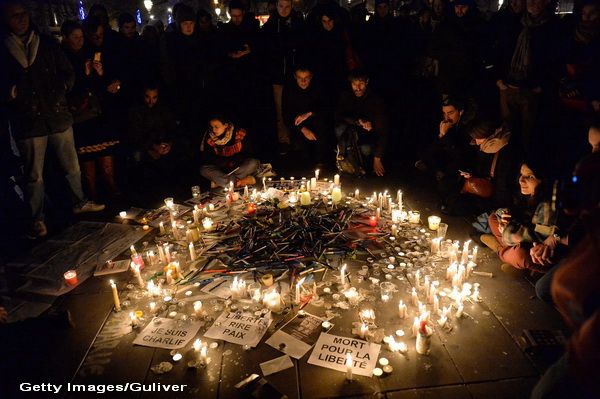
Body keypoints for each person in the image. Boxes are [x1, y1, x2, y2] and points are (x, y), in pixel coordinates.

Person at [1, 1, 104, 239]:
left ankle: (79, 201)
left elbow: (67, 72)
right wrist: (11, 93)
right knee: (34, 175)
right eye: (15, 16)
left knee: (71, 165)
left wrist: (61, 88)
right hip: (28, 120)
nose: (22, 19)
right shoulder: (4, 49)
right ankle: (36, 219)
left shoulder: (45, 44)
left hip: (56, 114)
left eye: (24, 14)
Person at [61, 20, 120, 201]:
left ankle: (112, 189)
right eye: (75, 37)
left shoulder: (89, 53)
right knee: (87, 156)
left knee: (105, 152)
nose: (79, 41)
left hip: (97, 112)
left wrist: (101, 75)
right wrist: (85, 75)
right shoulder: (63, 58)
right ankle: (92, 193)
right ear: (66, 38)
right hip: (80, 115)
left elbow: (99, 87)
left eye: (81, 37)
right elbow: (69, 88)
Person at [480, 159, 554, 273]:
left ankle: (500, 251)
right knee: (493, 218)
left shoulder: (547, 206)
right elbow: (521, 217)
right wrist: (507, 218)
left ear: (544, 180)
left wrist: (507, 230)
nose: (521, 180)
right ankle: (511, 258)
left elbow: (535, 237)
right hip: (519, 239)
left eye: (530, 177)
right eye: (522, 174)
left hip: (536, 253)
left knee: (520, 255)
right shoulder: (529, 194)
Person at [440, 118, 516, 216]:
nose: (476, 142)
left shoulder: (505, 154)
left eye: (479, 138)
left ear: (491, 136)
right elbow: (472, 163)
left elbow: (502, 188)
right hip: (476, 186)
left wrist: (494, 209)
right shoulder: (483, 146)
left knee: (456, 205)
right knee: (446, 187)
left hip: (490, 196)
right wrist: (470, 173)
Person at [261, 0, 307, 155]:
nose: (284, 10)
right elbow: (267, 50)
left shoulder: (298, 23)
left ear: (291, 6)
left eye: (287, 6)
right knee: (280, 110)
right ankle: (284, 140)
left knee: (298, 106)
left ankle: (298, 138)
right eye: (281, 6)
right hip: (278, 75)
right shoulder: (271, 25)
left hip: (294, 74)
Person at [415, 97, 475, 204]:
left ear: (460, 112)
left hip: (461, 169)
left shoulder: (468, 129)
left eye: (450, 113)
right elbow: (432, 150)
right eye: (444, 113)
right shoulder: (446, 125)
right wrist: (441, 135)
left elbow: (460, 156)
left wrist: (445, 136)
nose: (447, 117)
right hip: (446, 163)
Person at [334, 70, 388, 176]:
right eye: (354, 84)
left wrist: (377, 158)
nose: (358, 88)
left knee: (366, 151)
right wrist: (358, 121)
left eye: (361, 84)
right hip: (348, 132)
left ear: (367, 82)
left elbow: (383, 130)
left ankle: (357, 164)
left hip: (366, 135)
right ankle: (344, 157)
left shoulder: (375, 100)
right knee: (340, 128)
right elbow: (338, 115)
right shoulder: (346, 96)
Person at [282, 66, 328, 168]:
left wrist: (309, 113)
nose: (303, 81)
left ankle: (320, 162)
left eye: (306, 78)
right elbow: (286, 116)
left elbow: (325, 110)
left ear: (311, 77)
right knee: (302, 154)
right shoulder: (289, 91)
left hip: (317, 127)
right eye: (300, 78)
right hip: (298, 128)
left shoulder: (318, 89)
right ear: (295, 77)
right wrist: (303, 129)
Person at [199, 115, 259, 188]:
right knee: (204, 170)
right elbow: (208, 157)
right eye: (212, 127)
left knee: (253, 163)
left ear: (226, 125)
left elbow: (247, 152)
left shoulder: (239, 133)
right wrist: (223, 163)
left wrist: (234, 161)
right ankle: (240, 182)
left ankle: (222, 183)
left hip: (237, 167)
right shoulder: (209, 138)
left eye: (216, 127)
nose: (213, 130)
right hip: (221, 169)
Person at [127, 82, 177, 161]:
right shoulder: (135, 111)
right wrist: (153, 147)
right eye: (147, 97)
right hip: (145, 147)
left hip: (164, 145)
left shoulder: (163, 109)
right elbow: (135, 136)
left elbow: (172, 128)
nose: (151, 101)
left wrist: (169, 144)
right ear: (143, 95)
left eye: (154, 97)